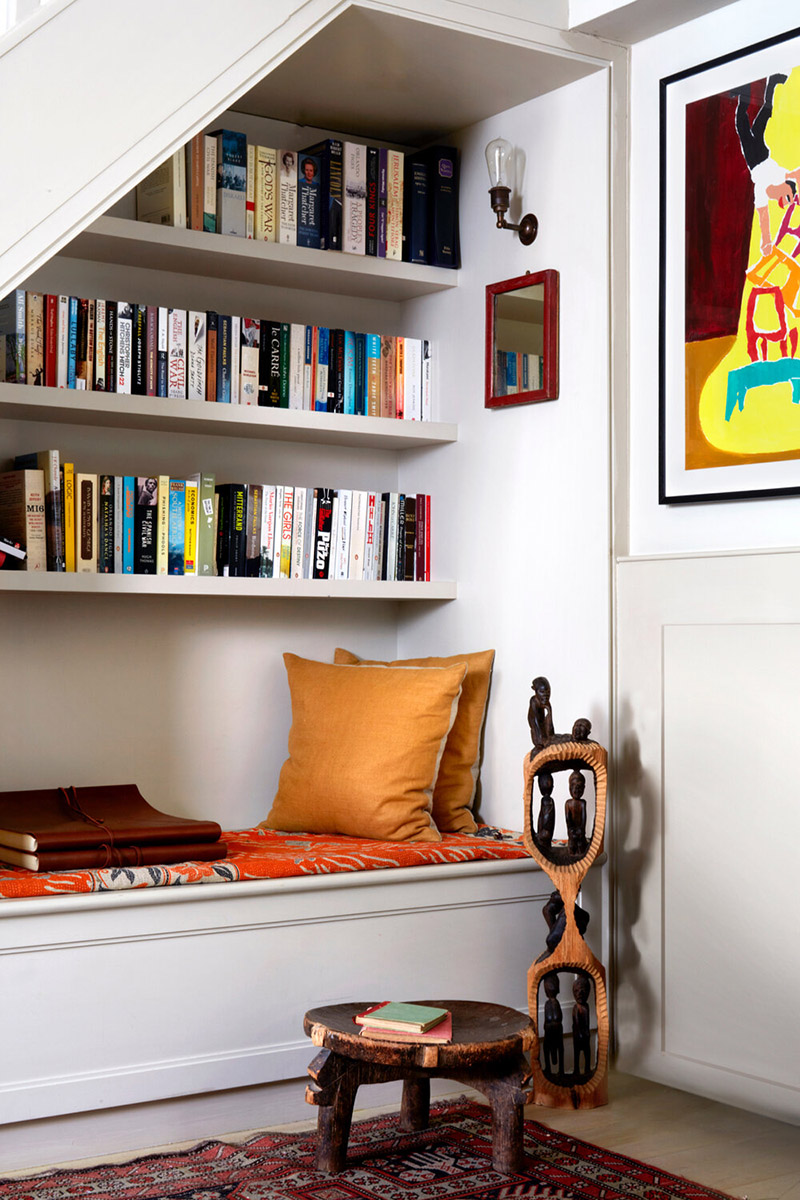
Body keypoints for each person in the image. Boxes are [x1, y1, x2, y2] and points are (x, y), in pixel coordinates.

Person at [732, 73, 800, 255]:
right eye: (788, 198)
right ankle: (747, 89)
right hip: (759, 155)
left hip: (756, 159)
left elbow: (764, 216)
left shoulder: (764, 192)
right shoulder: (781, 178)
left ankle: (770, 83)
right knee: (742, 122)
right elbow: (796, 174)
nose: (786, 203)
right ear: (787, 189)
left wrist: (766, 241)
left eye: (786, 201)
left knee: (760, 118)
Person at [542, 972, 564, 1078]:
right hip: (549, 1030)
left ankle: (561, 1069)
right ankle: (548, 1068)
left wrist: (553, 1023)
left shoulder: (556, 1003)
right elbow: (547, 1018)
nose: (550, 986)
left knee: (559, 1048)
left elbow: (558, 1017)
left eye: (552, 984)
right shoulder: (548, 1004)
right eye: (547, 984)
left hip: (556, 1029)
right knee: (546, 1048)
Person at [572, 975, 592, 1077]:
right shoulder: (576, 1008)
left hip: (585, 1035)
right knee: (577, 1054)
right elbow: (576, 1022)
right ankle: (576, 1070)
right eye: (577, 991)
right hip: (577, 1036)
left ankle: (587, 1069)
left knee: (587, 1053)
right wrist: (579, 1033)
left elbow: (587, 1022)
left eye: (583, 991)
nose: (580, 994)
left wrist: (586, 1032)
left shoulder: (586, 1007)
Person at [528, 676, 554, 752]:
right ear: (535, 691)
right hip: (535, 724)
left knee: (549, 735)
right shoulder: (534, 701)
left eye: (548, 692)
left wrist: (551, 736)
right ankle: (539, 743)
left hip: (542, 721)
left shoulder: (547, 704)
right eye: (542, 692)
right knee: (537, 731)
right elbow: (535, 722)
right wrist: (541, 740)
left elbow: (550, 723)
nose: (546, 695)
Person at [565, 770, 588, 857]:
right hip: (572, 831)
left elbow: (583, 819)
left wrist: (581, 829)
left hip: (580, 831)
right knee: (572, 845)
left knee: (581, 845)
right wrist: (571, 830)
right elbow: (568, 819)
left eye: (580, 787)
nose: (577, 790)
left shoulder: (582, 803)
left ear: (584, 788)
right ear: (570, 788)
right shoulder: (568, 803)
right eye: (574, 786)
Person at [536, 769, 555, 848]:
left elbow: (547, 817)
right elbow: (542, 816)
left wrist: (542, 830)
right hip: (544, 830)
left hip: (546, 830)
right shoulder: (546, 800)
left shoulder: (547, 801)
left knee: (544, 840)